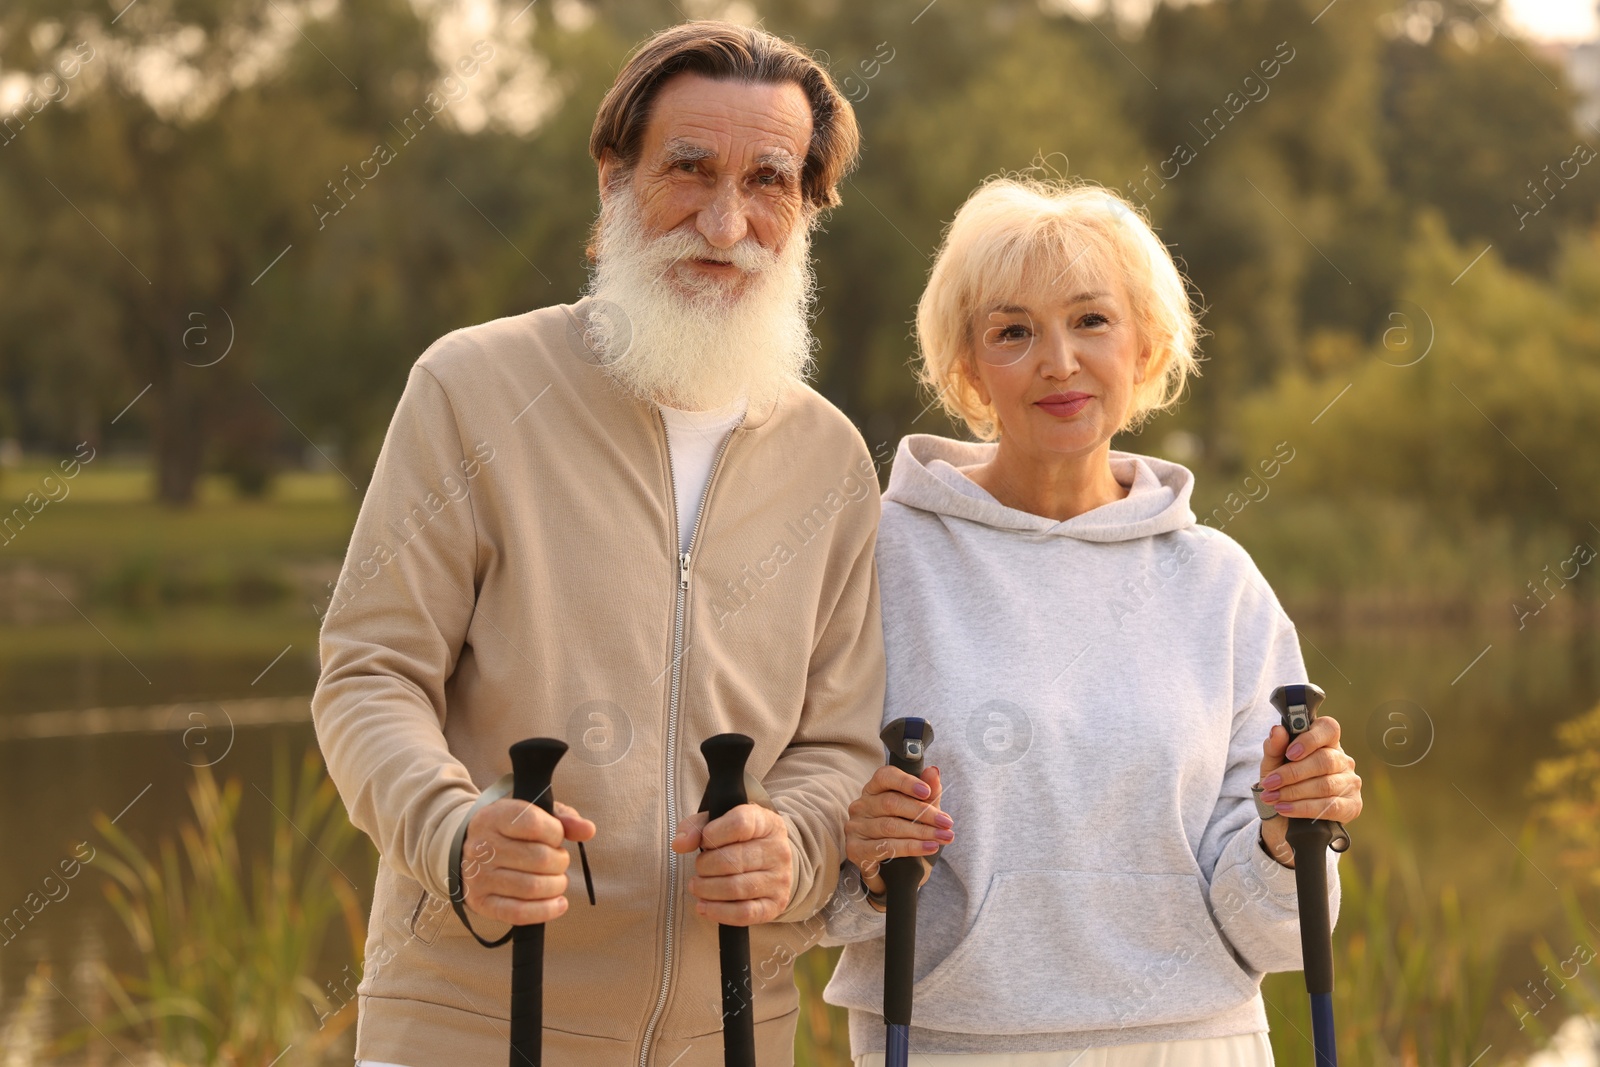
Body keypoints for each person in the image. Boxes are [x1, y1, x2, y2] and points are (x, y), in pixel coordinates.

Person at [311, 21, 886, 1067]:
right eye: (689, 170)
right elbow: (368, 674)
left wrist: (795, 848)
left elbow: (841, 743)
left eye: (768, 181)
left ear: (806, 209)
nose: (725, 221)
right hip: (470, 1027)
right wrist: (454, 834)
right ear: (613, 182)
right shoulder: (469, 388)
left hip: (736, 1034)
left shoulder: (833, 459)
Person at [818, 177, 1365, 1066]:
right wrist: (863, 861)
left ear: (1145, 345)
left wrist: (1283, 832)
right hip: (955, 1044)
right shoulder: (877, 561)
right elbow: (815, 875)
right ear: (967, 368)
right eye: (1013, 332)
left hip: (1199, 1042)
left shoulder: (1219, 581)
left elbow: (1277, 933)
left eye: (1091, 321)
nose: (1059, 362)